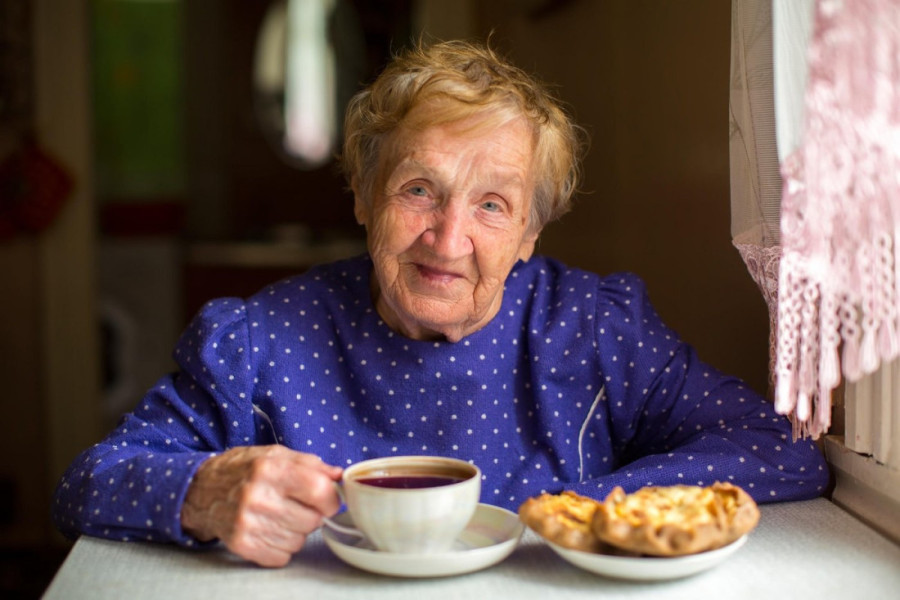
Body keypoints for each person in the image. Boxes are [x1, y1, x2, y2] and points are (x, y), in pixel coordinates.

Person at [52, 40, 829, 567]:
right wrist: (203, 494)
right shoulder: (259, 340)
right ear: (362, 195)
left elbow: (778, 448)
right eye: (418, 190)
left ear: (530, 231)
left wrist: (576, 510)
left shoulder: (594, 328)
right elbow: (90, 480)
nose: (448, 238)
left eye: (493, 205)